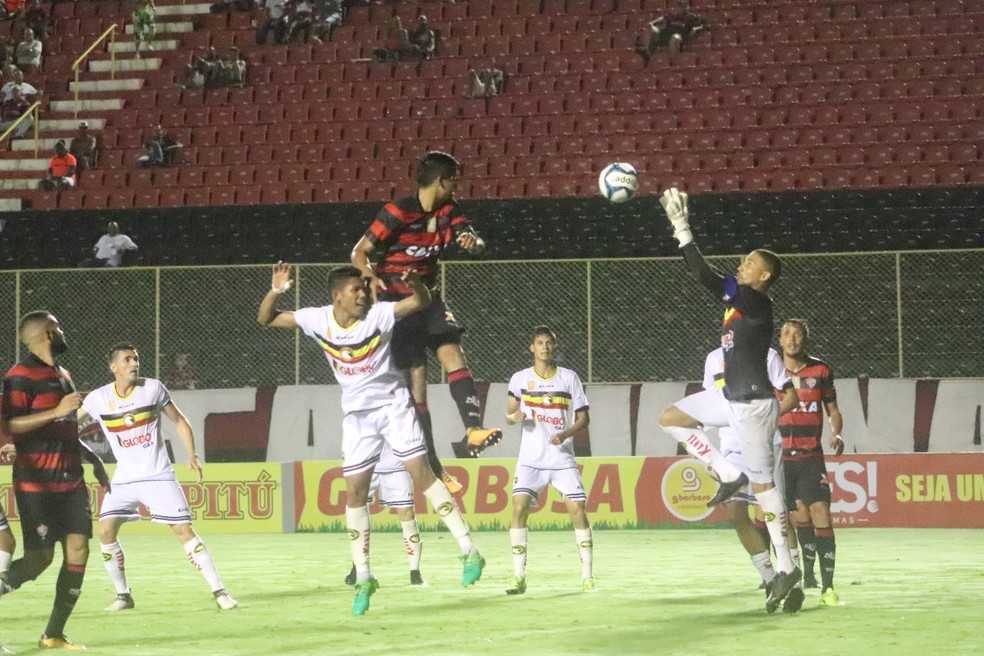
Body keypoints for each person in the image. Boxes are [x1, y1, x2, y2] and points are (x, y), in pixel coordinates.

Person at [257, 263, 486, 616]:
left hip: (394, 406)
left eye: (365, 287)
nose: (364, 293)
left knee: (420, 473)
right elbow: (267, 319)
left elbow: (418, 304)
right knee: (355, 493)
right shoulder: (318, 319)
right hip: (358, 417)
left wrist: (417, 287)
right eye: (356, 290)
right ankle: (364, 577)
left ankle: (469, 550)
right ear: (337, 297)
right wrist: (276, 290)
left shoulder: (380, 315)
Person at [657, 186, 800, 613]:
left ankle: (788, 567)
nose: (743, 265)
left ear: (764, 277)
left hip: (754, 405)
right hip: (729, 398)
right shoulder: (742, 301)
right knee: (670, 417)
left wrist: (682, 229)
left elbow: (704, 275)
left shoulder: (755, 300)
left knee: (767, 491)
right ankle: (726, 472)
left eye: (750, 263)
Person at [351, 151, 503, 495]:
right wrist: (369, 276)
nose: (457, 189)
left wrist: (472, 243)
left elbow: (474, 241)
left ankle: (473, 430)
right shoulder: (397, 211)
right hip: (399, 304)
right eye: (455, 182)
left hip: (429, 297)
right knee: (417, 385)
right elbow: (358, 253)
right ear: (441, 181)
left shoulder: (450, 211)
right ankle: (435, 468)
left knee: (454, 355)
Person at [79, 344, 238, 612]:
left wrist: (192, 455)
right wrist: (31, 443)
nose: (134, 364)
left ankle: (220, 592)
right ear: (113, 367)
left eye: (136, 359)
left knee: (183, 531)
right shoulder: (98, 398)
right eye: (127, 360)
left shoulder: (152, 388)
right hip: (124, 480)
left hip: (158, 476)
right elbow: (68, 423)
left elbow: (179, 420)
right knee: (105, 531)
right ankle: (123, 596)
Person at [0, 311, 111, 650]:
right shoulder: (19, 376)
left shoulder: (63, 374)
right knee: (40, 560)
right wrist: (57, 410)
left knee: (79, 550)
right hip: (38, 484)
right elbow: (11, 426)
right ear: (48, 334)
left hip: (71, 482)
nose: (63, 332)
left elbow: (65, 427)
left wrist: (93, 460)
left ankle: (54, 633)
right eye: (59, 327)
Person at [663, 346, 800, 609]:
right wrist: (698, 443)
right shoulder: (714, 359)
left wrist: (765, 419)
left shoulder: (765, 354)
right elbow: (711, 401)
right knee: (735, 513)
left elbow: (791, 396)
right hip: (731, 447)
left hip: (764, 438)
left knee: (772, 510)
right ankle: (770, 579)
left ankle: (793, 576)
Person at [503, 326, 594, 595]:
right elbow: (509, 414)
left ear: (554, 347)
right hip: (530, 461)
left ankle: (587, 577)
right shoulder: (519, 378)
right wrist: (514, 417)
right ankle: (518, 576)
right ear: (532, 348)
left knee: (577, 511)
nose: (544, 347)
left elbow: (584, 418)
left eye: (548, 343)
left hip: (562, 459)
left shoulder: (569, 378)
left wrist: (565, 433)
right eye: (539, 343)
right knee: (519, 508)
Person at [778, 318, 845, 607]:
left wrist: (837, 432)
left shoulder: (821, 370)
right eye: (787, 335)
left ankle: (828, 589)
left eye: (798, 335)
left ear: (805, 339)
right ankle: (806, 575)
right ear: (779, 340)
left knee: (821, 513)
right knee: (799, 516)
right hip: (780, 458)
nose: (792, 339)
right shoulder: (771, 370)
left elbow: (832, 409)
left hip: (811, 456)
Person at [343, 443, 426, 587]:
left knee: (407, 513)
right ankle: (357, 567)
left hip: (396, 466)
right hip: (366, 465)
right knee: (359, 513)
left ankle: (415, 572)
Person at [635, 5, 706, 63]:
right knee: (649, 27)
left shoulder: (690, 17)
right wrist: (652, 23)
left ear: (686, 8)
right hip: (664, 34)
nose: (680, 8)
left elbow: (702, 25)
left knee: (675, 38)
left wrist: (696, 29)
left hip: (677, 36)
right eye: (679, 6)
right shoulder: (672, 16)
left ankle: (672, 62)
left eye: (682, 6)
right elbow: (662, 18)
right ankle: (646, 52)